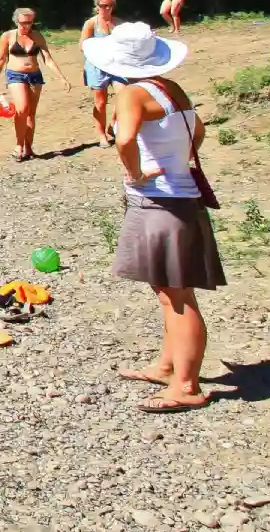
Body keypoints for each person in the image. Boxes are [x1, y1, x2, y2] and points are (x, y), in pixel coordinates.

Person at [84, 22, 223, 413]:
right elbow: (199, 132)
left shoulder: (130, 93)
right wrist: (173, 160)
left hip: (161, 202)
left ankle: (187, 385)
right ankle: (167, 365)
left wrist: (137, 173)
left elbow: (124, 139)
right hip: (179, 198)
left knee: (178, 295)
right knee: (166, 291)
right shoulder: (169, 88)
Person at [0, 7, 72, 161]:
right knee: (22, 109)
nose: (26, 26)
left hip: (35, 76)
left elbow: (48, 59)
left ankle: (29, 148)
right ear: (16, 21)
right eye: (23, 23)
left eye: (30, 23)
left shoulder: (37, 36)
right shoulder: (8, 36)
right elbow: (1, 59)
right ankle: (18, 145)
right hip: (15, 75)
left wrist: (62, 77)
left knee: (31, 113)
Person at [81, 0, 121, 147]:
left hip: (116, 65)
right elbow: (82, 45)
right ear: (97, 6)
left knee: (124, 94)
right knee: (101, 101)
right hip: (97, 65)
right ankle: (101, 134)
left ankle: (113, 124)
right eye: (103, 6)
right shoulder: (91, 23)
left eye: (110, 5)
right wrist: (99, 49)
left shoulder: (118, 22)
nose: (107, 9)